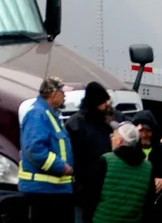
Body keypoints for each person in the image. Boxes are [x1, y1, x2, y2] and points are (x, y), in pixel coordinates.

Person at [19, 76, 75, 220]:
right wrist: (61, 166)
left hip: (54, 190)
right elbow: (34, 149)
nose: (65, 97)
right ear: (55, 94)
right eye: (63, 93)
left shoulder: (48, 114)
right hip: (44, 191)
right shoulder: (38, 114)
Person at [66, 81, 114, 222]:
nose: (107, 105)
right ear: (95, 103)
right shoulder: (77, 124)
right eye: (103, 102)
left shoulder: (106, 120)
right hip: (84, 186)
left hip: (100, 186)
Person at [88, 122, 154, 223]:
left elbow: (93, 194)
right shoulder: (147, 167)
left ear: (119, 141)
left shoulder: (107, 160)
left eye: (113, 135)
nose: (111, 138)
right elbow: (148, 202)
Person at [131, 110, 162, 223]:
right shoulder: (129, 151)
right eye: (140, 131)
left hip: (158, 209)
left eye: (148, 131)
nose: (144, 135)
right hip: (133, 207)